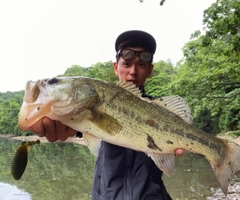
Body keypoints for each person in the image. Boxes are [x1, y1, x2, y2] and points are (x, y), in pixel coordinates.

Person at [30, 30, 185, 200]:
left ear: (150, 71)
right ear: (115, 67)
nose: (133, 71)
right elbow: (68, 126)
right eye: (127, 64)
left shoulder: (163, 112)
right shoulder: (92, 104)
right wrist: (52, 120)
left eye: (141, 65)